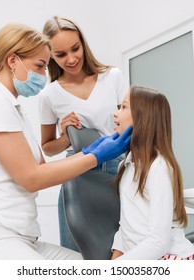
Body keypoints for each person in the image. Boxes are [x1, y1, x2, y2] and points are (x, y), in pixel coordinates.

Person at [0, 23, 131, 260]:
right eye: (40, 66)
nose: (44, 76)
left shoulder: (14, 109)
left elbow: (43, 170)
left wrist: (90, 150)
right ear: (13, 60)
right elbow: (31, 178)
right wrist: (95, 156)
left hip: (20, 238)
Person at [39, 16, 128, 251]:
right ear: (50, 57)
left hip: (118, 172)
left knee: (122, 250)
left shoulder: (113, 77)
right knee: (77, 255)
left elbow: (132, 126)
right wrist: (66, 138)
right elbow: (47, 147)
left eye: (75, 48)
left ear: (83, 43)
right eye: (60, 54)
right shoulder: (49, 95)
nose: (71, 59)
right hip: (77, 175)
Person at [110, 86, 194, 260]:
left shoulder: (159, 167)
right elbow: (126, 227)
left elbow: (158, 242)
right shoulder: (125, 165)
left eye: (123, 107)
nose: (116, 113)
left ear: (143, 118)